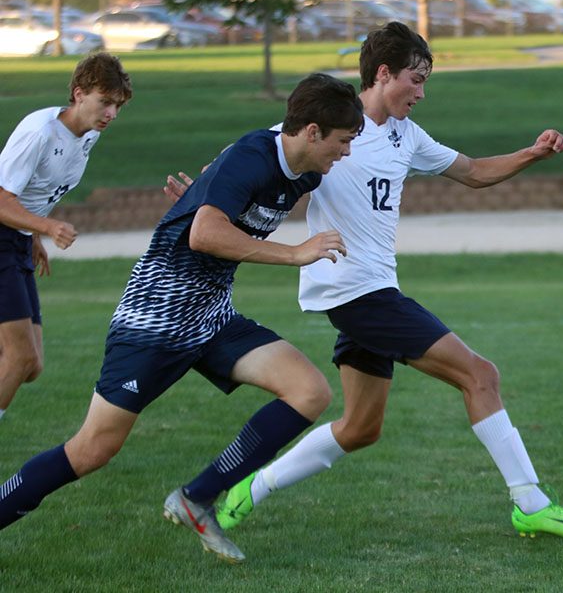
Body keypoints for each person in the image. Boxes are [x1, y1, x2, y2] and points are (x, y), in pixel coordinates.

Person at [208, 22, 563, 539]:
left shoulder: (405, 135)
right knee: (480, 375)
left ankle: (248, 490)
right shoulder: (325, 128)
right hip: (357, 292)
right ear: (383, 73)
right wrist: (203, 195)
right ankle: (529, 501)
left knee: (361, 428)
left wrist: (532, 153)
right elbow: (256, 160)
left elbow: (474, 172)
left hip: (373, 292)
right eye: (415, 80)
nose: (420, 93)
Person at [0, 73, 364, 564]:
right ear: (313, 131)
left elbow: (216, 194)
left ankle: (197, 498)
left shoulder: (305, 172)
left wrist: (203, 194)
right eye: (343, 141)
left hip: (211, 314)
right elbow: (204, 235)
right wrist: (294, 253)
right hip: (154, 316)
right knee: (92, 450)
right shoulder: (254, 155)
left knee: (310, 391)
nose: (345, 152)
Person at [0, 52, 132, 421]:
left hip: (16, 239)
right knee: (19, 357)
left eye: (117, 106)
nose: (111, 114)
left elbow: (34, 192)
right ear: (78, 93)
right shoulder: (40, 131)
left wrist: (32, 235)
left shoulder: (87, 135)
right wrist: (47, 227)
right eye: (104, 102)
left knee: (31, 365)